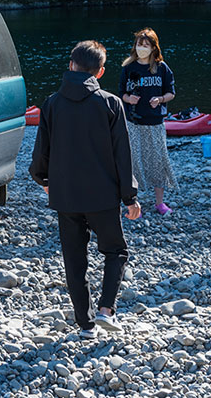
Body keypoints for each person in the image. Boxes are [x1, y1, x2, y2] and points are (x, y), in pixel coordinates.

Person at [29, 40, 141, 339]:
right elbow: (122, 154)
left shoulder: (52, 102)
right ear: (100, 72)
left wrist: (43, 180)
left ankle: (86, 325)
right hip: (102, 194)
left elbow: (42, 151)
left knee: (74, 259)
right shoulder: (110, 103)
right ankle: (106, 310)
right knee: (115, 251)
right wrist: (129, 196)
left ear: (70, 65)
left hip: (65, 195)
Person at [118, 28, 177, 215]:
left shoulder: (162, 68)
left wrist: (159, 99)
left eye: (145, 45)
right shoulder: (128, 68)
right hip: (133, 121)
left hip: (155, 122)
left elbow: (171, 93)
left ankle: (159, 202)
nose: (141, 48)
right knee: (134, 160)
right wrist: (128, 99)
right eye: (139, 45)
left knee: (158, 161)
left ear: (153, 47)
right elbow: (121, 93)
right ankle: (134, 202)